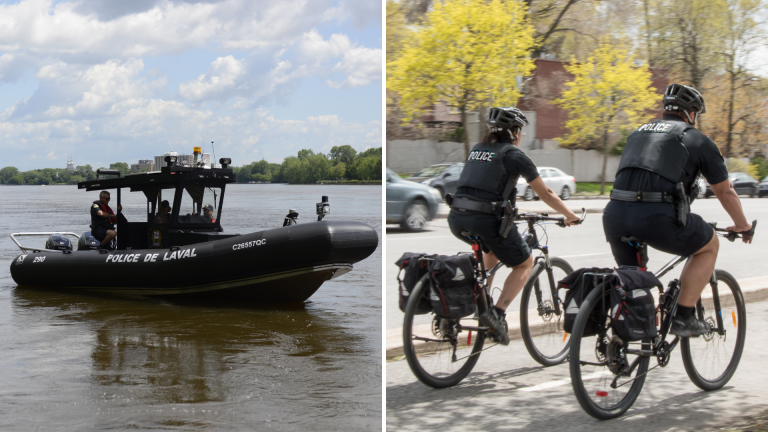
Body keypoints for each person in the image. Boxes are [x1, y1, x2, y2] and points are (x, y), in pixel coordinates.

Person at [603, 83, 752, 337]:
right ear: (691, 113)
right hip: (655, 219)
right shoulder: (697, 139)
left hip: (614, 217)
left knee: (634, 281)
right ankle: (684, 316)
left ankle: (622, 342)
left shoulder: (637, 132)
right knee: (709, 245)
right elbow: (725, 191)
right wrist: (742, 225)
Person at [447, 107, 581, 345]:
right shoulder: (515, 155)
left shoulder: (477, 149)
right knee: (525, 263)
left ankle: (480, 307)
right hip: (486, 220)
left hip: (457, 218)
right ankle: (496, 314)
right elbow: (547, 194)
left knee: (491, 253)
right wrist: (570, 215)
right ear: (515, 132)